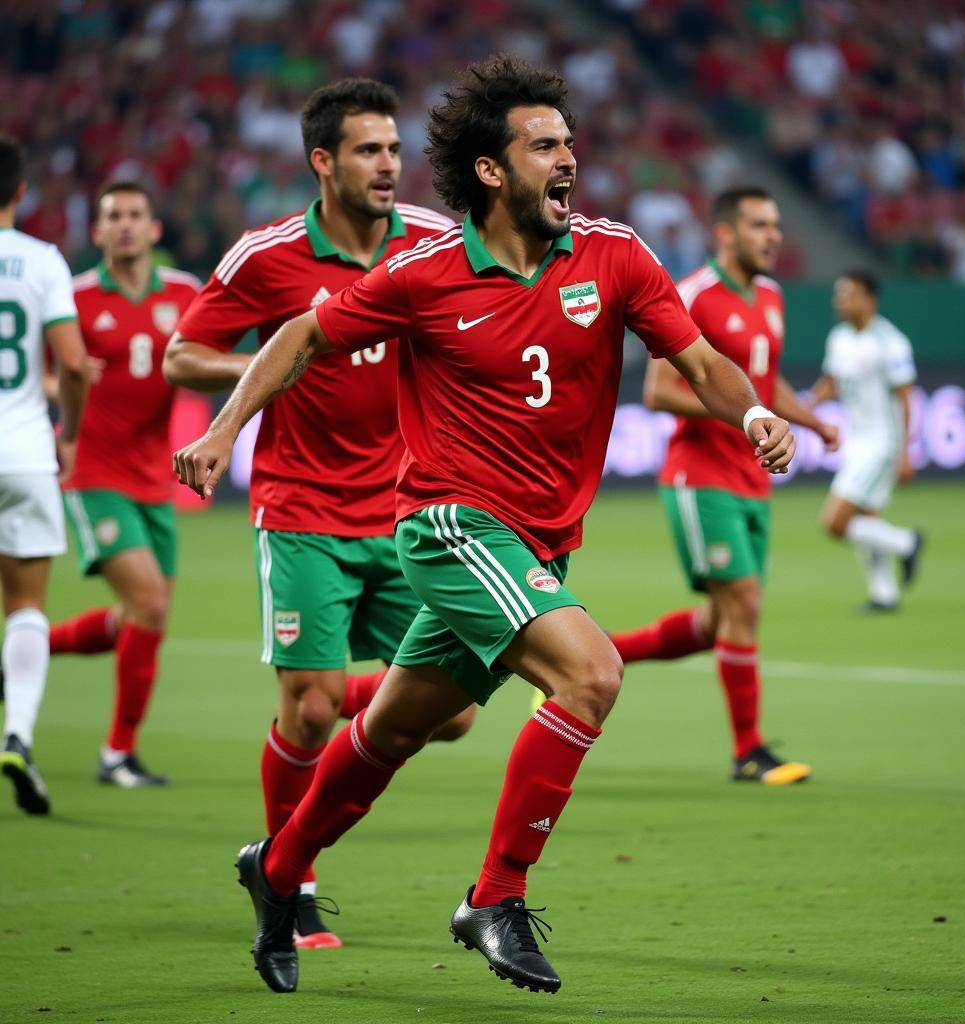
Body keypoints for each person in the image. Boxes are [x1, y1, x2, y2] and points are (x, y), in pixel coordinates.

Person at [172, 54, 796, 996]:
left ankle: (278, 864)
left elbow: (700, 360)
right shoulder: (423, 276)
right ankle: (495, 897)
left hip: (539, 538)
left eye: (571, 142)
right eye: (545, 144)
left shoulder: (613, 255)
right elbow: (302, 334)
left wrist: (750, 414)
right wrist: (226, 429)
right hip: (449, 524)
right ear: (494, 170)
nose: (569, 158)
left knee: (392, 733)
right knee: (591, 674)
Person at [162, 79, 471, 950]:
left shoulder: (437, 241)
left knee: (452, 713)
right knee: (307, 708)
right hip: (302, 509)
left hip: (411, 510)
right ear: (322, 163)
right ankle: (287, 879)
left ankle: (333, 689)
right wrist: (271, 363)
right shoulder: (265, 255)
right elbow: (183, 354)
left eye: (395, 149)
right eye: (368, 151)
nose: (388, 166)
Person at [609, 186, 838, 784]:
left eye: (777, 225)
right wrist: (745, 415)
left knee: (720, 624)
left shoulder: (771, 295)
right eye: (760, 225)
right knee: (745, 606)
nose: (774, 236)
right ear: (726, 233)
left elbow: (761, 378)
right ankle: (749, 751)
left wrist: (809, 419)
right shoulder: (692, 295)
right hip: (700, 478)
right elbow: (659, 391)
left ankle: (595, 655)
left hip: (752, 479)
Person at [52, 180, 200, 787]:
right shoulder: (76, 297)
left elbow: (207, 350)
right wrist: (62, 387)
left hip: (154, 474)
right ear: (98, 231)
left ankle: (24, 654)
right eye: (112, 215)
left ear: (155, 229)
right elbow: (38, 374)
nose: (125, 225)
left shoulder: (186, 293)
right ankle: (117, 754)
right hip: (92, 470)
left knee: (139, 618)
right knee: (150, 602)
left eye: (136, 214)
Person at [0, 134, 89, 814]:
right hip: (25, 450)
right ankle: (19, 735)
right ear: (20, 192)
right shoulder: (41, 261)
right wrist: (70, 436)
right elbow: (76, 363)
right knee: (26, 604)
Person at [809, 269, 923, 611]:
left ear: (869, 299)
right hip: (856, 442)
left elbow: (905, 398)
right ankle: (884, 594)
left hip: (881, 444)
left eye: (848, 295)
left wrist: (906, 451)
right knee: (866, 517)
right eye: (838, 295)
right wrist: (802, 411)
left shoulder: (890, 342)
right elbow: (830, 383)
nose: (840, 301)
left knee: (834, 523)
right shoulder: (838, 338)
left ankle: (906, 542)